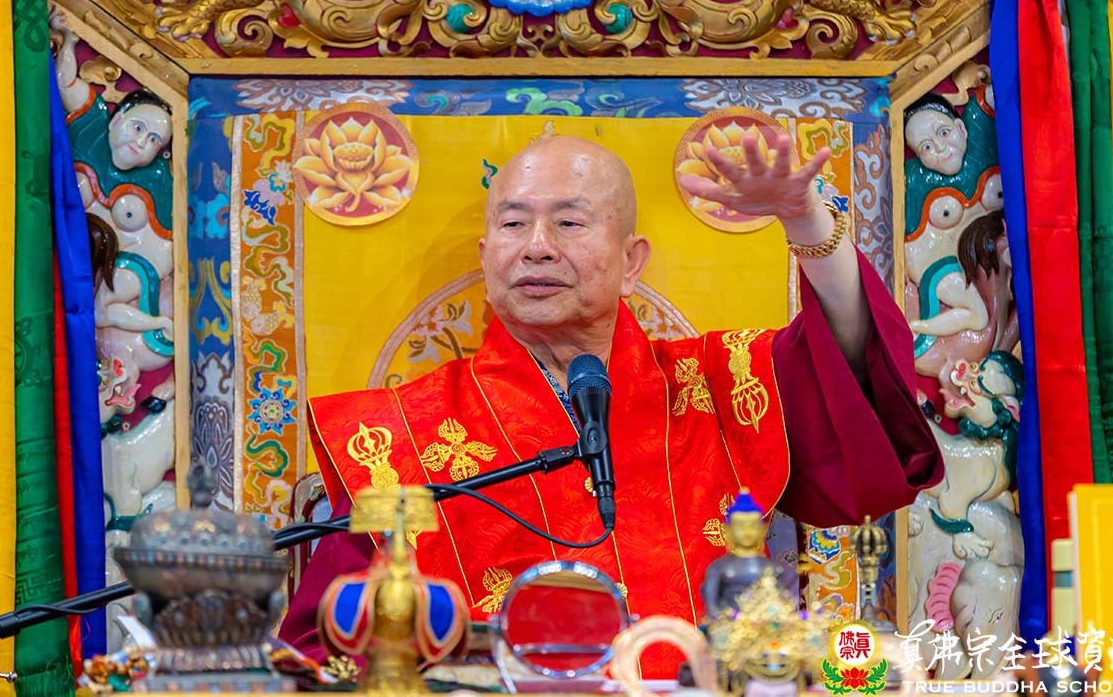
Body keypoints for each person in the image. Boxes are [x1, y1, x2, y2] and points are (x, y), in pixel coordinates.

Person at [281, 132, 943, 676]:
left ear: (632, 262)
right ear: (486, 258)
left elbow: (850, 376)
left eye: (569, 222)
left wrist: (806, 223)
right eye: (513, 223)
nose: (537, 244)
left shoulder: (713, 386)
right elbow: (324, 648)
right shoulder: (396, 435)